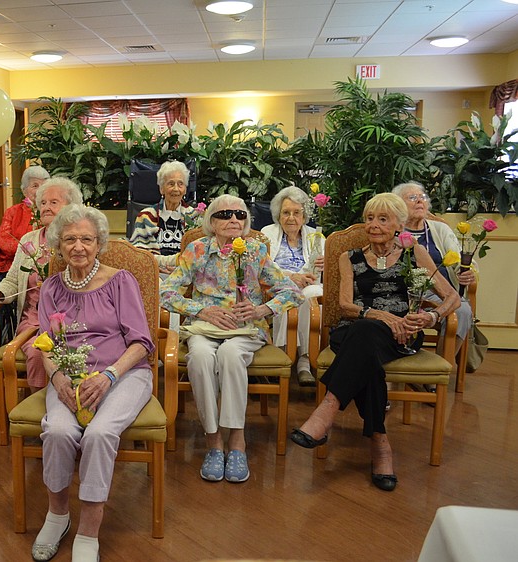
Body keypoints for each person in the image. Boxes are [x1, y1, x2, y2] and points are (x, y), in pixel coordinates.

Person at [290, 193, 460, 492]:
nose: (374, 224)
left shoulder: (414, 253)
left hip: (401, 333)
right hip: (353, 327)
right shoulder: (349, 258)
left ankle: (328, 410)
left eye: (383, 219)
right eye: (369, 218)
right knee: (366, 332)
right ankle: (380, 445)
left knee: (367, 351)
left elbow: (452, 297)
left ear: (399, 224)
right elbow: (344, 305)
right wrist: (378, 314)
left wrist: (431, 319)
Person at [31, 204, 155, 562]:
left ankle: (89, 525)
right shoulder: (52, 286)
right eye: (70, 239)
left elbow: (141, 342)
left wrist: (109, 375)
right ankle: (57, 515)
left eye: (86, 239)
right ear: (59, 245)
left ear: (99, 243)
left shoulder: (120, 281)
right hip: (69, 379)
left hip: (124, 375)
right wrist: (57, 379)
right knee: (56, 429)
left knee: (100, 433)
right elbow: (46, 343)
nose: (78, 247)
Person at [160, 194, 302, 483]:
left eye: (240, 215)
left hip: (246, 328)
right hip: (204, 326)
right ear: (212, 222)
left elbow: (292, 292)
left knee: (230, 355)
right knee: (199, 357)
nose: (234, 219)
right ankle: (213, 440)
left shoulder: (255, 251)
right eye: (225, 215)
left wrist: (262, 308)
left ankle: (237, 441)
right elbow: (167, 293)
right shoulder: (197, 250)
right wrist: (202, 310)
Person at [0, 177, 82, 390]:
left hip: (72, 320)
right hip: (34, 323)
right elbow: (11, 280)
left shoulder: (78, 241)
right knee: (39, 352)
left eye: (54, 202)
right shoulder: (29, 240)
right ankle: (39, 408)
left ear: (70, 207)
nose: (46, 207)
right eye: (43, 202)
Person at [393, 181, 474, 347]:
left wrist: (466, 272)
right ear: (398, 205)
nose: (419, 201)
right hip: (403, 291)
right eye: (412, 197)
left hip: (440, 292)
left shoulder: (440, 229)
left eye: (422, 197)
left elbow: (457, 258)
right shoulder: (392, 230)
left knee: (463, 311)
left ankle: (444, 365)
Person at [260, 185, 324, 387]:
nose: (291, 218)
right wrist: (290, 276)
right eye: (286, 212)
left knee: (308, 294)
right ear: (278, 215)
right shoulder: (266, 234)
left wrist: (317, 269)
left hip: (309, 285)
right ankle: (287, 355)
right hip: (278, 284)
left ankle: (302, 360)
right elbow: (264, 264)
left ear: (304, 217)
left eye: (297, 213)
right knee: (290, 293)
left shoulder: (317, 237)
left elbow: (318, 270)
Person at [129, 161, 201, 274]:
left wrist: (181, 269)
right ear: (161, 189)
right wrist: (171, 263)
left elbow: (199, 255)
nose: (176, 189)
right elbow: (140, 255)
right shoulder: (146, 216)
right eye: (171, 184)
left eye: (180, 184)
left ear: (185, 189)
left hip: (186, 274)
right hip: (154, 273)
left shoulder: (194, 217)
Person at [0, 165, 50, 280]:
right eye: (35, 186)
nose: (40, 190)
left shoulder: (50, 212)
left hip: (44, 267)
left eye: (44, 186)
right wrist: (28, 250)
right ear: (24, 191)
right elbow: (1, 239)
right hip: (12, 266)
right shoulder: (13, 212)